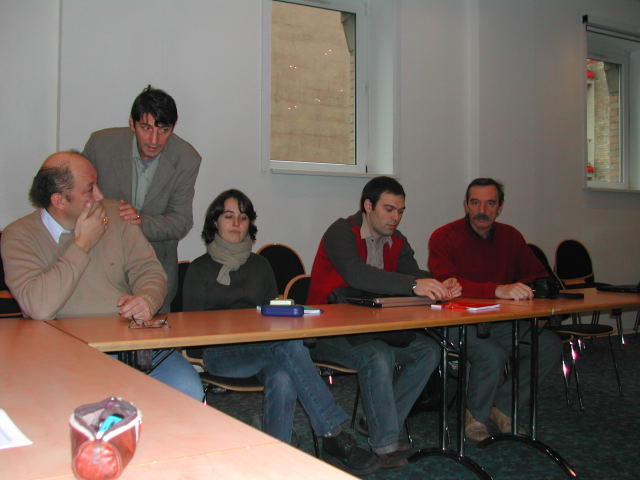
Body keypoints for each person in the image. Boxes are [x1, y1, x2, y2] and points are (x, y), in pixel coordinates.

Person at [182, 189, 380, 476]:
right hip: (222, 353)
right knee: (289, 347)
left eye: (243, 217)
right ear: (215, 222)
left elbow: (271, 314)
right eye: (228, 216)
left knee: (284, 375)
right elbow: (192, 330)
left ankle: (275, 457)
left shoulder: (260, 266)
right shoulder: (199, 269)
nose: (236, 223)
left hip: (266, 348)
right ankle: (333, 433)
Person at [1, 152, 203, 401]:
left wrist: (147, 299)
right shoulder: (18, 236)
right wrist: (82, 245)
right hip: (62, 350)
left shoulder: (116, 215)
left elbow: (149, 271)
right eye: (89, 189)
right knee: (88, 401)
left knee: (187, 389)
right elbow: (39, 307)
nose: (100, 196)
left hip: (127, 343)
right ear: (59, 200)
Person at [306, 176, 461, 469]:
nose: (396, 218)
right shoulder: (341, 231)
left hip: (374, 331)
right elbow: (358, 275)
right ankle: (385, 444)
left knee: (429, 351)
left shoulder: (397, 240)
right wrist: (414, 284)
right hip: (328, 332)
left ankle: (377, 421)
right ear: (368, 206)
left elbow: (412, 274)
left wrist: (440, 283)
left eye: (400, 211)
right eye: (389, 209)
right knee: (378, 355)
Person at [428, 177, 562, 441]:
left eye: (490, 204)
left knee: (548, 346)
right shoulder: (444, 237)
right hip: (456, 321)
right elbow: (447, 285)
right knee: (491, 354)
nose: (482, 210)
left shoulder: (511, 236)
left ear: (500, 207)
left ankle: (503, 407)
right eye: (475, 203)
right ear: (466, 205)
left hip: (501, 321)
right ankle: (476, 416)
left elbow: (537, 275)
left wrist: (530, 287)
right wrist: (498, 290)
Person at [83, 86, 201, 312]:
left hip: (155, 272)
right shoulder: (100, 145)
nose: (154, 140)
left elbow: (181, 222)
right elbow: (80, 198)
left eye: (164, 130)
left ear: (173, 128)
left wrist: (140, 221)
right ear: (132, 124)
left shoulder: (186, 158)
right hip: (102, 269)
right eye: (146, 128)